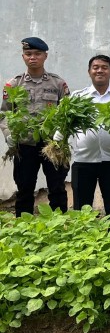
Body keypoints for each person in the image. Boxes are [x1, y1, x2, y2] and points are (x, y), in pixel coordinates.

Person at [1, 37, 71, 217]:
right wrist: (8, 135)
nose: (33, 57)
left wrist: (61, 133)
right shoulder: (13, 85)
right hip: (24, 145)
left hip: (52, 145)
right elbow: (5, 114)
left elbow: (68, 113)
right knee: (24, 188)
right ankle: (23, 226)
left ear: (45, 56)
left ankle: (60, 224)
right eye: (28, 54)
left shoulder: (58, 83)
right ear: (23, 56)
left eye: (37, 54)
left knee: (57, 187)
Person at [70, 54, 110, 217]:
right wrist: (57, 143)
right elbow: (65, 123)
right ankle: (83, 241)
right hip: (83, 161)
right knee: (81, 208)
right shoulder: (78, 96)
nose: (100, 70)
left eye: (104, 68)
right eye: (95, 67)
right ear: (89, 72)